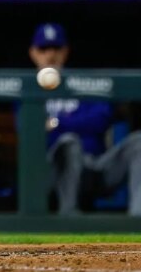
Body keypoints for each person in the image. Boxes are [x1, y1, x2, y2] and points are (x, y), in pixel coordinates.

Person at [29, 23, 141, 216]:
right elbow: (29, 131)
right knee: (69, 142)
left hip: (94, 167)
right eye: (44, 49)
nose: (50, 54)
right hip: (51, 172)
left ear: (65, 52)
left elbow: (101, 119)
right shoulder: (28, 88)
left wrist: (57, 123)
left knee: (138, 142)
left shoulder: (83, 82)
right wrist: (78, 122)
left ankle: (138, 218)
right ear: (33, 53)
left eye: (56, 48)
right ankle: (69, 215)